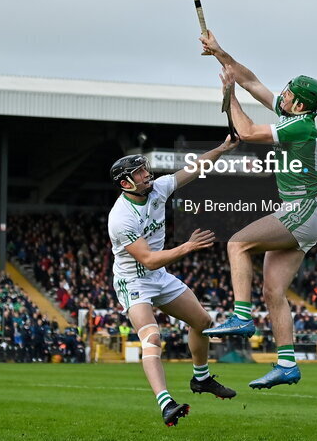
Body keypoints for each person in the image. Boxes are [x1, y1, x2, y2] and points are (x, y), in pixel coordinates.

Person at [199, 30, 317, 390]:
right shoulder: (294, 115)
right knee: (273, 292)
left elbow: (247, 130)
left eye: (288, 94)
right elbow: (253, 81)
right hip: (307, 213)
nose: (282, 95)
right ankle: (287, 365)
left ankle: (241, 316)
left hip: (302, 210)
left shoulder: (300, 126)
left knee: (237, 243)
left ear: (300, 105)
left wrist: (229, 95)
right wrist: (221, 54)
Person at [107, 138, 239, 427]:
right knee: (152, 338)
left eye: (145, 169)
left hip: (160, 276)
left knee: (203, 322)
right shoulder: (120, 218)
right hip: (134, 281)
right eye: (139, 173)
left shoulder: (158, 188)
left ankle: (201, 379)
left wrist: (222, 148)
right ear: (126, 184)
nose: (147, 174)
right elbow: (149, 260)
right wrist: (187, 247)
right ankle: (166, 403)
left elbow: (195, 168)